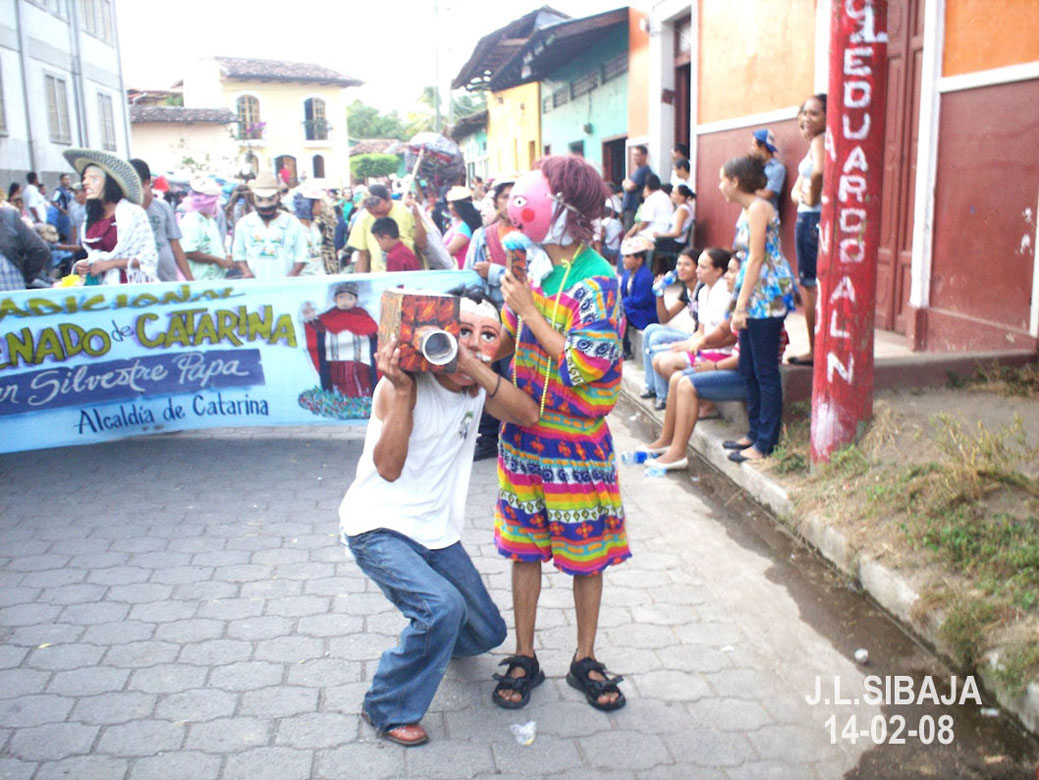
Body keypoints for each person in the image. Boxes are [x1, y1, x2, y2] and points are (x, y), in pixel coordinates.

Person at [343, 289, 538, 747]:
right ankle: (386, 706)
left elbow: (527, 414)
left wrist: (476, 368)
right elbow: (388, 469)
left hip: (435, 533)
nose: (472, 344)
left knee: (488, 632)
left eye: (486, 336)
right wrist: (403, 390)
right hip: (378, 528)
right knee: (442, 608)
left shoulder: (476, 388)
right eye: (462, 331)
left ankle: (433, 639)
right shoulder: (405, 385)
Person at [494, 155, 631, 712]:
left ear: (565, 208)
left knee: (586, 555)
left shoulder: (598, 279)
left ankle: (584, 657)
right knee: (524, 550)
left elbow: (584, 364)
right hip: (524, 435)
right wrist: (475, 338)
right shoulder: (531, 265)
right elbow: (510, 339)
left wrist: (529, 311)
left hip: (576, 444)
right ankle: (524, 654)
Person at [641, 254, 748, 473]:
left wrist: (712, 364)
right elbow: (713, 332)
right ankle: (667, 441)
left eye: (732, 272)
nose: (728, 277)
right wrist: (694, 344)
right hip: (725, 361)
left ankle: (678, 452)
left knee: (684, 381)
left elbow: (740, 352)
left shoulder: (746, 306)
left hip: (740, 372)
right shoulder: (717, 295)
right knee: (676, 378)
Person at [720, 154, 794, 463]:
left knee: (765, 371)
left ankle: (765, 443)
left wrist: (740, 306)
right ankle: (754, 432)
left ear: (736, 182)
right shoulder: (748, 209)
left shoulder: (760, 208)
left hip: (766, 296)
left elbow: (756, 258)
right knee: (748, 367)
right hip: (754, 295)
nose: (720, 186)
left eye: (723, 180)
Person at [64, 148, 158, 285]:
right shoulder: (92, 216)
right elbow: (97, 255)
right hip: (98, 287)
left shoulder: (133, 213)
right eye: (85, 179)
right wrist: (84, 264)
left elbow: (148, 259)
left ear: (109, 182)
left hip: (128, 287)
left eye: (93, 179)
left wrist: (109, 264)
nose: (85, 183)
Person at [788, 95, 826, 366]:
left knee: (809, 286)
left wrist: (810, 198)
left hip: (811, 218)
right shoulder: (816, 143)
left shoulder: (820, 140)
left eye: (814, 113)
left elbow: (818, 173)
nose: (806, 119)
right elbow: (794, 191)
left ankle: (814, 349)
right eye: (804, 114)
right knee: (813, 285)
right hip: (811, 217)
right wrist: (803, 195)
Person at [639, 247, 700, 409]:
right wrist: (660, 294)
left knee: (657, 338)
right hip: (693, 335)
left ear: (697, 268)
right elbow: (664, 318)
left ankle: (663, 396)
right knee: (650, 329)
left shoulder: (702, 290)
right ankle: (651, 386)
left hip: (699, 339)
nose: (681, 268)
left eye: (687, 264)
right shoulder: (687, 290)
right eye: (679, 264)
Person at [302, 282, 378, 398]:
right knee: (339, 390)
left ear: (356, 301)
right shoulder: (328, 318)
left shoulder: (363, 317)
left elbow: (374, 333)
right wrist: (310, 317)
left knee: (360, 389)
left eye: (350, 298)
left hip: (360, 363)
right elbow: (315, 329)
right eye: (341, 297)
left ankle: (364, 404)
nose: (345, 301)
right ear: (334, 299)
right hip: (335, 363)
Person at [232, 171, 308, 279]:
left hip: (286, 285)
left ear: (278, 197)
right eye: (261, 203)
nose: (266, 209)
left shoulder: (292, 223)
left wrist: (289, 279)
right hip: (255, 284)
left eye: (270, 202)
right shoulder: (244, 224)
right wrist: (247, 273)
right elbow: (239, 255)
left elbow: (301, 257)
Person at [130, 159, 191, 282]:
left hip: (166, 276)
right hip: (139, 278)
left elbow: (175, 245)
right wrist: (143, 206)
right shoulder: (124, 210)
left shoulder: (163, 206)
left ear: (146, 183)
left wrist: (190, 279)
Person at [463, 174, 518, 307]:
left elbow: (530, 279)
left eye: (515, 197)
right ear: (496, 202)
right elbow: (469, 276)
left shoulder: (531, 236)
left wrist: (493, 272)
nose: (509, 202)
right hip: (490, 310)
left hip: (522, 310)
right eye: (505, 197)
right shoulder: (481, 235)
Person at [348, 184, 427, 273]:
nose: (377, 218)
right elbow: (362, 255)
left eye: (380, 213)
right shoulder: (363, 217)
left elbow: (421, 245)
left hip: (407, 273)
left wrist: (417, 217)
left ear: (388, 200)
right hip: (379, 275)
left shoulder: (405, 210)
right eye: (373, 214)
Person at [180, 177, 233, 281]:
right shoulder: (191, 221)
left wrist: (225, 256)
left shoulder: (209, 220)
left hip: (215, 278)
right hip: (200, 279)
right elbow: (188, 252)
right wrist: (217, 260)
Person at [0, 192, 50, 290]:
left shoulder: (8, 216)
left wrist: (24, 275)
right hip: (13, 290)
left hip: (11, 290)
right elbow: (40, 250)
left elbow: (40, 250)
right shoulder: (8, 216)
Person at [619, 235, 657, 360]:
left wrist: (622, 303)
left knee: (622, 311)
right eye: (624, 256)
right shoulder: (627, 274)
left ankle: (626, 349)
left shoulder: (645, 276)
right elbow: (623, 294)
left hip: (645, 313)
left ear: (639, 260)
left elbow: (640, 301)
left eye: (628, 257)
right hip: (633, 309)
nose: (624, 260)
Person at [292, 185, 331, 277]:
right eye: (317, 202)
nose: (321, 206)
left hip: (319, 276)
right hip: (302, 278)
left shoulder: (314, 225)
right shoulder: (293, 227)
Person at [626, 174, 672, 245]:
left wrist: (637, 235)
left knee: (628, 245)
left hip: (652, 235)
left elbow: (645, 222)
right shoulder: (666, 196)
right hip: (665, 231)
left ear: (647, 187)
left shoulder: (650, 199)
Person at [442, 186, 483, 269]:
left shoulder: (464, 227)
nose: (449, 206)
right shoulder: (456, 223)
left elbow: (448, 251)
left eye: (451, 203)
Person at [750, 129, 787, 214]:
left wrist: (747, 188)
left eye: (754, 145)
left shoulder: (777, 168)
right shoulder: (754, 165)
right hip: (751, 212)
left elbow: (767, 194)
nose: (751, 149)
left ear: (763, 146)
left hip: (767, 214)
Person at [653, 184, 695, 254]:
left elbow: (677, 233)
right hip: (673, 240)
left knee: (650, 244)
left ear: (682, 197)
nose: (671, 195)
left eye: (674, 194)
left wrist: (659, 235)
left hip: (675, 243)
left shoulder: (682, 210)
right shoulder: (686, 207)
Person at [621, 144, 652, 232]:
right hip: (629, 208)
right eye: (633, 155)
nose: (634, 157)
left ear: (644, 156)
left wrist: (624, 183)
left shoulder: (644, 170)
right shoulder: (638, 170)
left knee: (630, 233)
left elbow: (630, 187)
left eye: (637, 155)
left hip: (633, 208)